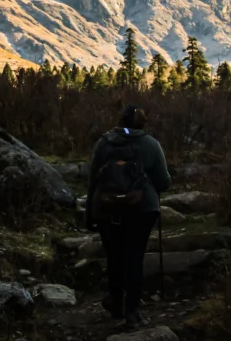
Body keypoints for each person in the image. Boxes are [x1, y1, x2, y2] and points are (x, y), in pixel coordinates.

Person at [86, 105, 171, 330]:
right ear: (143, 124)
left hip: (107, 209)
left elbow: (93, 179)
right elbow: (164, 183)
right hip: (141, 209)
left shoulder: (103, 143)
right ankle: (132, 311)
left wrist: (90, 213)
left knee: (114, 257)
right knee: (134, 258)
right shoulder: (151, 144)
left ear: (120, 121)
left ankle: (115, 301)